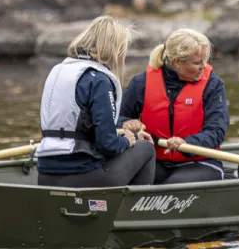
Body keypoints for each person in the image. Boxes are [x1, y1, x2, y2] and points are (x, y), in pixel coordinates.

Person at [35, 15, 155, 187]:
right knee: (146, 148)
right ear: (114, 49)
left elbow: (81, 128)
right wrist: (129, 140)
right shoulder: (99, 80)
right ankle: (136, 211)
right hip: (81, 174)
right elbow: (107, 145)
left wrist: (123, 134)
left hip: (45, 173)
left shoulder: (58, 70)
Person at [119, 28, 230, 184]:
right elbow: (118, 118)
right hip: (155, 161)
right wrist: (126, 124)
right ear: (177, 62)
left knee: (174, 184)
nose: (204, 66)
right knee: (130, 179)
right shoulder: (141, 83)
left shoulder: (213, 84)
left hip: (199, 162)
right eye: (197, 62)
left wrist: (187, 143)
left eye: (205, 60)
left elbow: (216, 131)